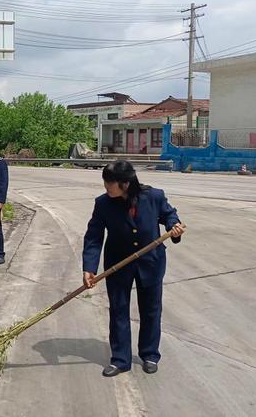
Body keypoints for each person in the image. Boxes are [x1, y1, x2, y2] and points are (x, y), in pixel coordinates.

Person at [82, 160, 184, 377]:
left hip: (151, 263)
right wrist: (89, 267)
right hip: (118, 265)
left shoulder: (154, 196)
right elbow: (94, 236)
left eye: (110, 183)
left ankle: (149, 354)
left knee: (151, 310)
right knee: (118, 310)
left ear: (126, 183)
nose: (106, 187)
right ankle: (120, 359)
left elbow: (169, 214)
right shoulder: (103, 204)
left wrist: (173, 226)